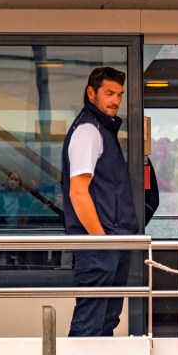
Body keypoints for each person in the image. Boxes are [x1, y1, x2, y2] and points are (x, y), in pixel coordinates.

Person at [62, 66, 139, 337]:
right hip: (99, 242)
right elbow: (78, 193)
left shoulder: (101, 130)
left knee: (105, 321)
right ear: (91, 93)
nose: (115, 100)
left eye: (119, 94)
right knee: (90, 322)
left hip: (111, 240)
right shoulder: (88, 130)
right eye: (109, 93)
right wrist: (102, 240)